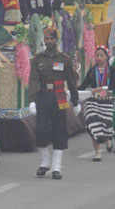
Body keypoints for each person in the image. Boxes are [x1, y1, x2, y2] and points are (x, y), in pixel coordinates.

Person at [28, 24, 79, 180]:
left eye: (51, 38)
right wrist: (32, 100)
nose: (48, 41)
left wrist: (75, 101)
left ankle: (56, 167)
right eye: (46, 38)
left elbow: (71, 80)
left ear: (56, 40)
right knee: (41, 129)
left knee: (59, 130)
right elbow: (33, 80)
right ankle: (44, 163)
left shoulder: (63, 59)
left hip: (59, 98)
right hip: (43, 96)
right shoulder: (38, 59)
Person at [78, 46, 115, 162]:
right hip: (93, 100)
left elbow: (114, 86)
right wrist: (73, 91)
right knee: (92, 122)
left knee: (106, 125)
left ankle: (107, 139)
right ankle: (97, 152)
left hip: (106, 100)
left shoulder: (112, 71)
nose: (99, 58)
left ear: (107, 56)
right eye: (97, 56)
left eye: (102, 55)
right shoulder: (91, 71)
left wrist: (101, 88)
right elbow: (83, 86)